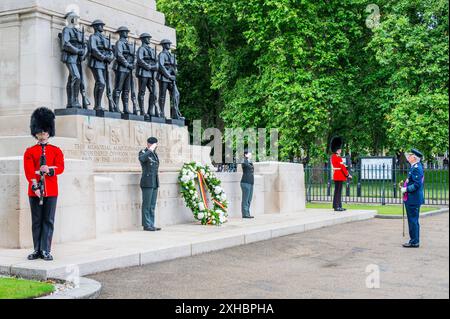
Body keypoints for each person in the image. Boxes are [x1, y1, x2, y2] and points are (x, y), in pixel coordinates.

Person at [24, 107, 65, 261]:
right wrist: (35, 186)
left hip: (51, 191)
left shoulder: (56, 151)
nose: (42, 135)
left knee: (48, 220)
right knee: (36, 221)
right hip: (34, 191)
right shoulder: (30, 151)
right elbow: (29, 171)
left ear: (49, 132)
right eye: (39, 132)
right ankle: (36, 249)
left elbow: (60, 167)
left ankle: (45, 249)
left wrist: (49, 170)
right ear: (36, 133)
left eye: (44, 132)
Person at [60, 11, 90, 109]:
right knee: (76, 77)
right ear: (71, 19)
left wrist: (83, 53)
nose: (77, 20)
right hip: (70, 57)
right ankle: (74, 100)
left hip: (78, 59)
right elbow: (65, 43)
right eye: (76, 18)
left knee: (72, 78)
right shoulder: (67, 30)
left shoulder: (79, 32)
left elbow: (85, 45)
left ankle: (71, 102)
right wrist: (77, 51)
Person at [88, 19, 116, 111]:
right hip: (96, 62)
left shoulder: (105, 38)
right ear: (96, 27)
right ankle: (97, 105)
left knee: (103, 84)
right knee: (101, 82)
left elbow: (111, 51)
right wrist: (104, 57)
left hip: (104, 64)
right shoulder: (93, 37)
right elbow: (93, 49)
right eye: (100, 25)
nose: (102, 27)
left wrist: (110, 58)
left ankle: (99, 105)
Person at [401, 149, 425, 248]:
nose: (408, 157)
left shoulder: (416, 168)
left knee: (413, 220)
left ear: (414, 157)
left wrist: (406, 189)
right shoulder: (414, 167)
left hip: (413, 199)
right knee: (412, 220)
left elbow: (417, 185)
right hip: (412, 198)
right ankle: (414, 240)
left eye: (410, 155)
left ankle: (414, 241)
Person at [157, 39, 184, 120]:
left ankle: (175, 113)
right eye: (168, 44)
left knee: (176, 94)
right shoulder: (162, 54)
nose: (169, 45)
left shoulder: (172, 56)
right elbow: (161, 66)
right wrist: (169, 76)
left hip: (171, 78)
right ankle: (161, 112)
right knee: (163, 95)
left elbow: (175, 67)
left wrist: (175, 72)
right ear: (164, 45)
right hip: (164, 77)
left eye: (169, 43)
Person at [136, 33, 161, 120]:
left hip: (151, 74)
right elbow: (140, 60)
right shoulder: (141, 49)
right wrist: (149, 66)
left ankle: (150, 110)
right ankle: (142, 111)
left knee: (154, 92)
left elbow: (157, 61)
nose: (149, 39)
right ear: (143, 39)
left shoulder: (151, 50)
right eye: (147, 38)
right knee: (142, 92)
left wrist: (155, 67)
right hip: (143, 72)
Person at [139, 137, 161, 231]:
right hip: (147, 182)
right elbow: (142, 159)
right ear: (148, 144)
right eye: (153, 144)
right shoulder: (144, 152)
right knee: (146, 204)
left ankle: (151, 224)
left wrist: (152, 151)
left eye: (155, 145)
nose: (155, 147)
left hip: (154, 182)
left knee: (152, 205)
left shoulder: (154, 154)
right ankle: (146, 225)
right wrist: (150, 149)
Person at [113, 26, 135, 114]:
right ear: (121, 33)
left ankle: (125, 108)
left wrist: (133, 64)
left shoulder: (129, 44)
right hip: (121, 68)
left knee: (127, 89)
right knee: (118, 88)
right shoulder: (119, 43)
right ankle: (116, 106)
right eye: (125, 32)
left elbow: (135, 56)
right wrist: (127, 64)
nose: (126, 33)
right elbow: (119, 55)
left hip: (129, 69)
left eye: (127, 31)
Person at [330, 137, 352, 212]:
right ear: (337, 150)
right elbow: (342, 167)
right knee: (338, 192)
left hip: (337, 175)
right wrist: (348, 175)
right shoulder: (337, 157)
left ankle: (337, 205)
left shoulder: (333, 157)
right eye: (339, 149)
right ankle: (337, 206)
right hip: (339, 175)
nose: (340, 150)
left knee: (337, 191)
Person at [240, 149, 255, 219]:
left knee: (249, 199)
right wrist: (245, 158)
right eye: (249, 153)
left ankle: (247, 213)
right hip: (245, 182)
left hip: (251, 183)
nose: (251, 154)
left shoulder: (250, 162)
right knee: (245, 199)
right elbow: (245, 164)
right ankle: (245, 214)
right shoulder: (244, 161)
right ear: (245, 155)